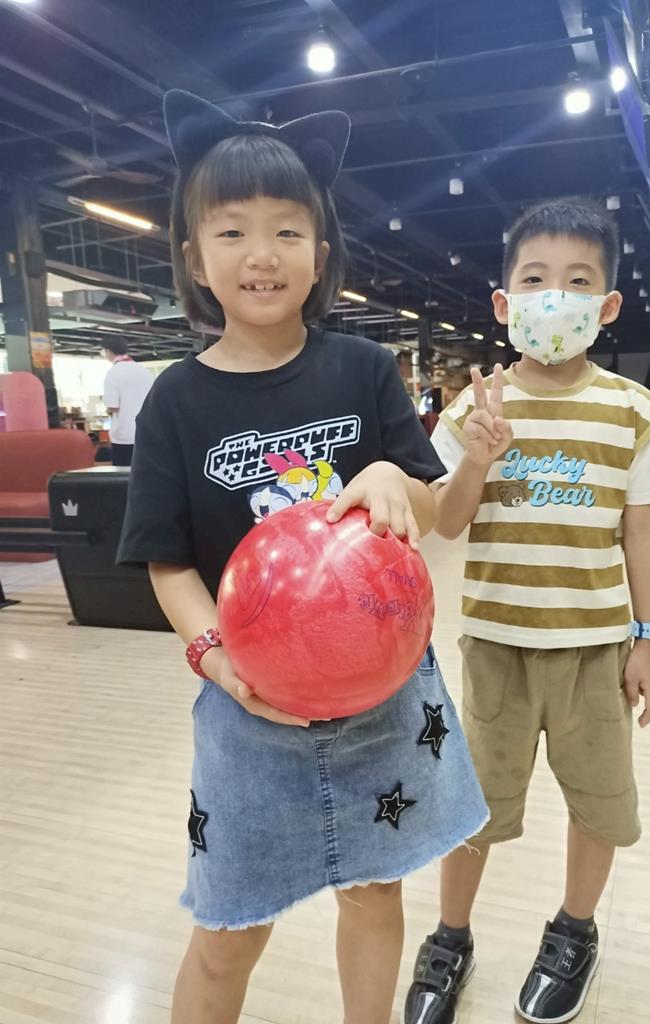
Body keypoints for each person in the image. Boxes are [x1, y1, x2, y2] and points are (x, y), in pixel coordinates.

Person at [116, 90, 488, 1024]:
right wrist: (214, 655)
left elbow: (431, 509)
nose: (263, 253)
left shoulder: (363, 370)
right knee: (227, 929)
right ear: (194, 258)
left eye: (288, 230)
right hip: (250, 705)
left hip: (381, 693)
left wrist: (399, 479)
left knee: (374, 892)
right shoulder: (175, 402)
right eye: (232, 230)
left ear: (321, 255)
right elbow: (167, 563)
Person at [403, 200, 650, 1024]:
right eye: (535, 280)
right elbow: (447, 521)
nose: (554, 298)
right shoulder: (475, 408)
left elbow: (643, 530)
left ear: (608, 305)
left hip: (594, 651)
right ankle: (450, 937)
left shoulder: (636, 412)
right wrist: (478, 458)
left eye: (577, 281)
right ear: (505, 303)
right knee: (474, 806)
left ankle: (574, 929)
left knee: (598, 797)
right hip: (495, 646)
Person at [102, 337, 154, 466]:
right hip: (147, 433)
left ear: (108, 351)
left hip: (124, 435)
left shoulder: (113, 373)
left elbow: (112, 406)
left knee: (123, 474)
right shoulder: (145, 371)